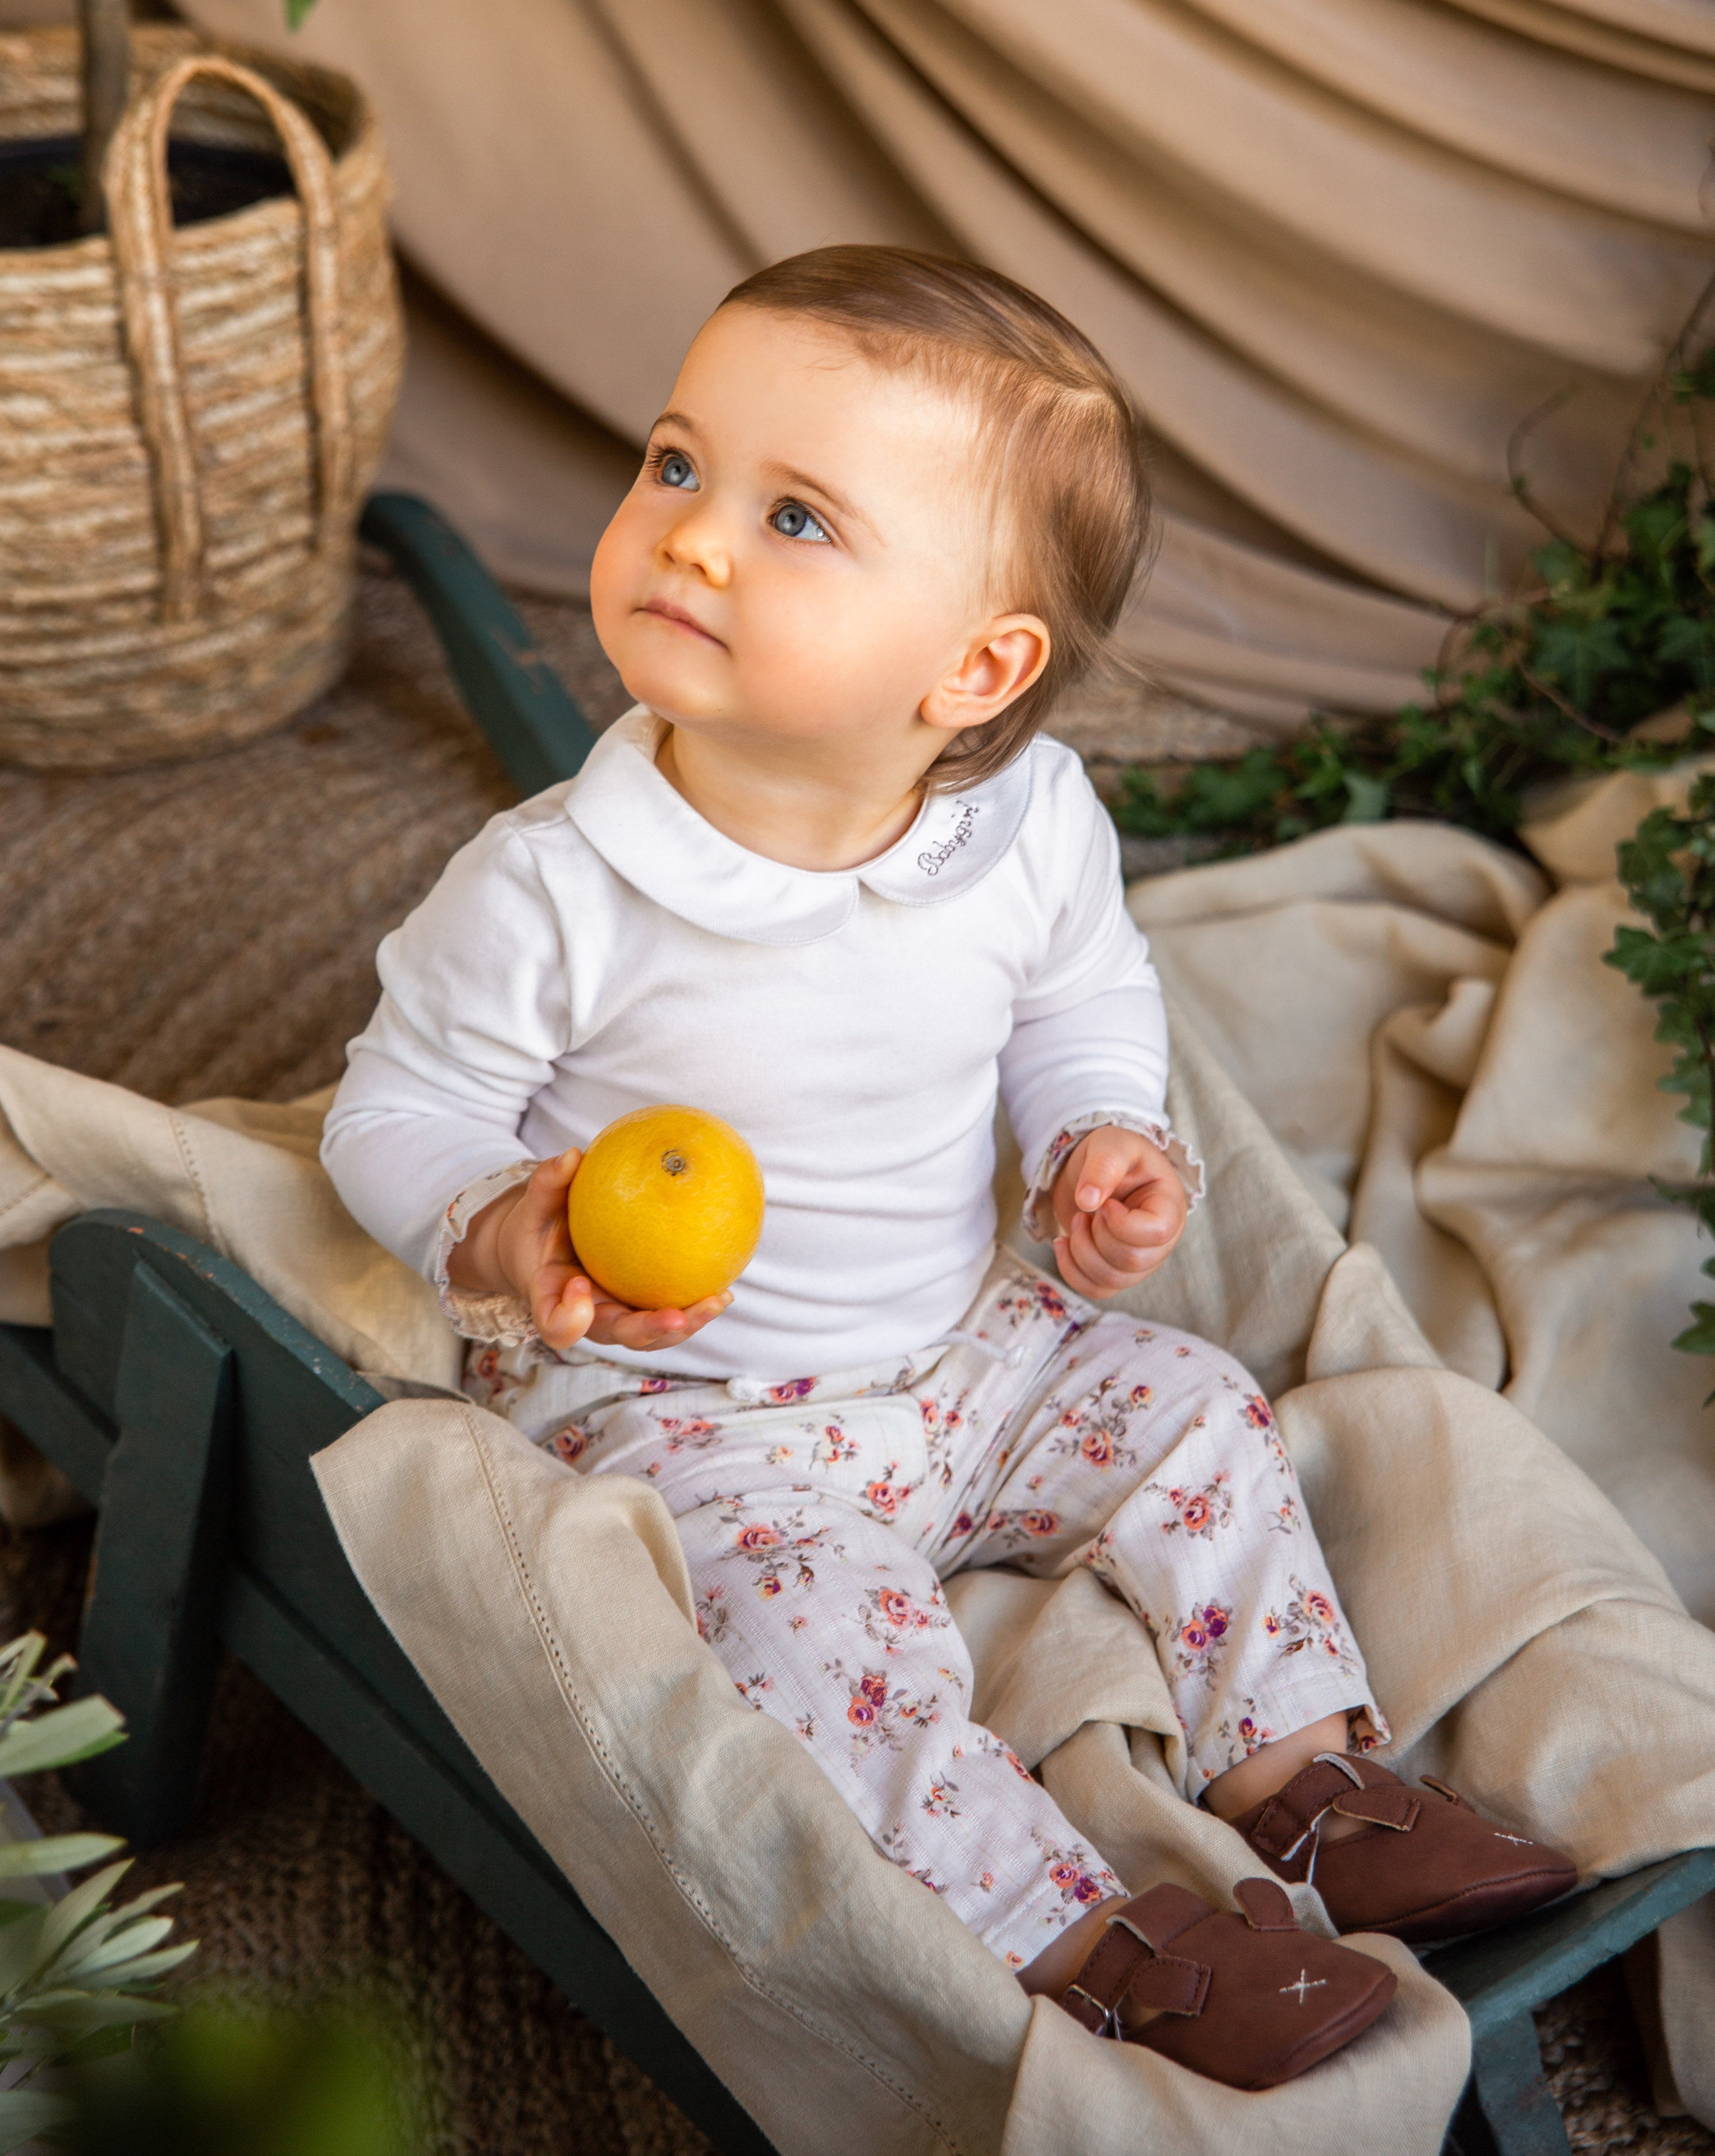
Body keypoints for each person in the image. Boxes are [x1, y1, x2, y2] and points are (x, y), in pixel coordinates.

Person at [322, 248, 1573, 2089]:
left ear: (977, 669)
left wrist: (1098, 1135)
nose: (694, 537)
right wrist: (502, 1217)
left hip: (974, 1352)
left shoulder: (1028, 826)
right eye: (676, 465)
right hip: (696, 1415)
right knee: (814, 1641)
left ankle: (1308, 1779)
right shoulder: (556, 888)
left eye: (797, 515)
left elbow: (1085, 991)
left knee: (1198, 1406)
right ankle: (1096, 1935)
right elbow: (388, 1108)